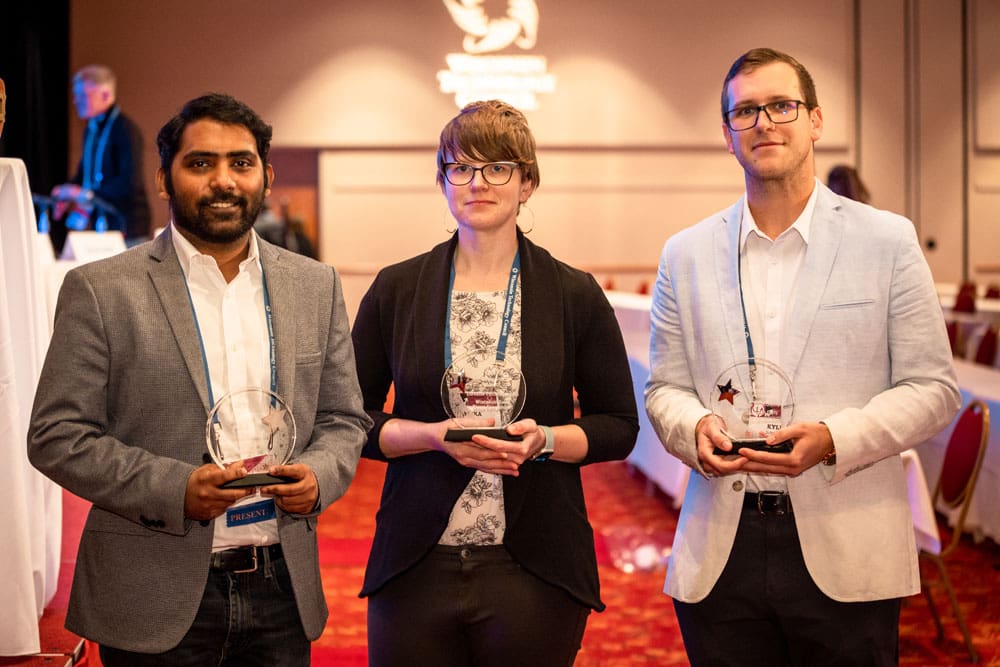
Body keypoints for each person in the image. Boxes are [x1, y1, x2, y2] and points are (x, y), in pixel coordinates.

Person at [28, 93, 372, 665]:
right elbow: (57, 436)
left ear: (266, 176)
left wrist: (318, 474)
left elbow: (343, 417)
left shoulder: (314, 285)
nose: (223, 181)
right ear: (164, 179)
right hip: (151, 593)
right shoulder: (102, 290)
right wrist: (176, 488)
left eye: (241, 163)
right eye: (200, 163)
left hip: (283, 591)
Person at [644, 48, 960, 665]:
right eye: (745, 111)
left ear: (815, 120)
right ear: (727, 133)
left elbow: (933, 388)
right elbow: (664, 390)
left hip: (849, 539)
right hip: (722, 550)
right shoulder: (684, 254)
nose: (764, 122)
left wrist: (833, 436)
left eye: (781, 106)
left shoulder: (887, 241)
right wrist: (694, 427)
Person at [351, 99, 638, 667]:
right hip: (416, 561)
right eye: (461, 167)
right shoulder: (397, 289)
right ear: (443, 181)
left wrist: (546, 442)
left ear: (526, 182)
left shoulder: (572, 293)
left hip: (534, 565)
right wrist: (431, 437)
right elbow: (349, 419)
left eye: (497, 167)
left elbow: (619, 426)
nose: (477, 182)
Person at [48, 64, 151, 253]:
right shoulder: (91, 129)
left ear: (104, 96)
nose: (76, 101)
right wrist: (65, 191)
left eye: (82, 96)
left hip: (128, 227)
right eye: (75, 95)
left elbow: (130, 183)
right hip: (101, 224)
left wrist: (85, 194)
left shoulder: (125, 130)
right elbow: (84, 173)